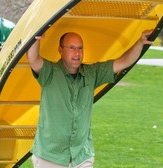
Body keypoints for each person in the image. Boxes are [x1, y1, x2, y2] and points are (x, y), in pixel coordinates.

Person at [27, 31, 153, 168]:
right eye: (72, 48)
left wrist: (140, 42)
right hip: (50, 157)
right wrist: (36, 38)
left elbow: (124, 62)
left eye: (80, 48)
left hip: (81, 156)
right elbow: (33, 59)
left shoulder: (92, 73)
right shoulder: (49, 72)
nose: (77, 53)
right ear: (60, 50)